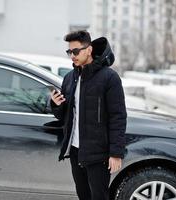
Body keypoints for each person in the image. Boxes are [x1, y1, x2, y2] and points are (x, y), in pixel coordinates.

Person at [50, 30, 127, 200]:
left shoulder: (109, 78)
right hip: (76, 150)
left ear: (89, 49)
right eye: (69, 52)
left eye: (76, 51)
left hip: (98, 153)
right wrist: (56, 105)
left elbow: (118, 116)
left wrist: (116, 153)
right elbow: (65, 116)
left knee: (98, 196)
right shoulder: (70, 78)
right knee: (83, 195)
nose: (72, 56)